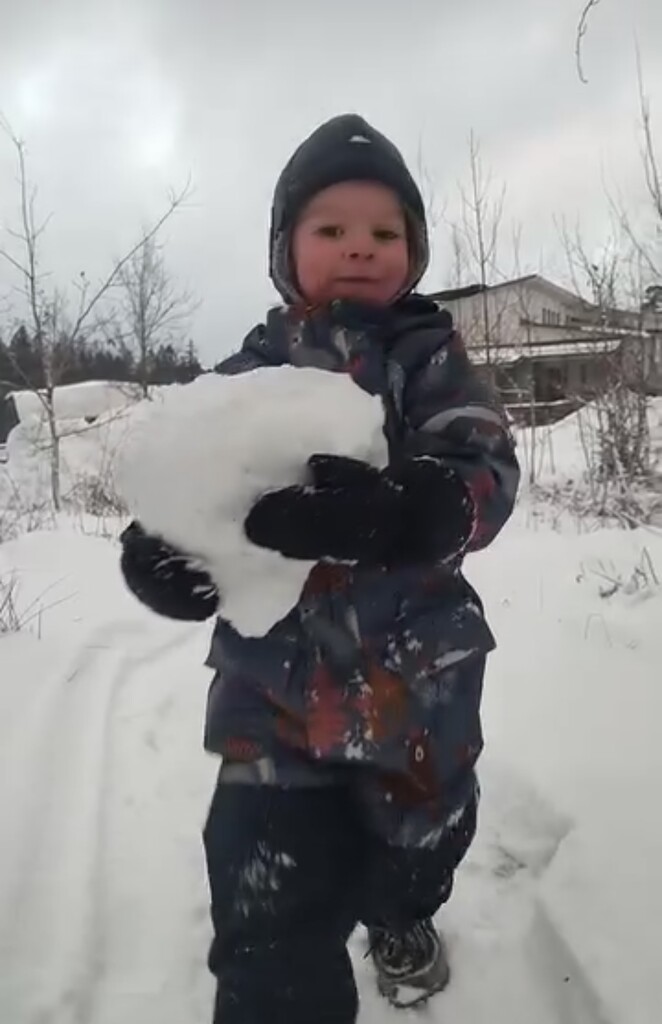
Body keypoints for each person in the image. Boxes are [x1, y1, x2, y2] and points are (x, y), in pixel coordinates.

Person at [120, 113, 520, 1024]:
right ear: (284, 249)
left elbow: (485, 466)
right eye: (330, 229)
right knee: (268, 931)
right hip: (272, 701)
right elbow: (189, 489)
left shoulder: (432, 359)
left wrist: (412, 510)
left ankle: (401, 913)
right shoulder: (241, 378)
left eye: (385, 233)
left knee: (419, 849)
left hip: (417, 690)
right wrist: (162, 556)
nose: (359, 249)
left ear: (413, 254)